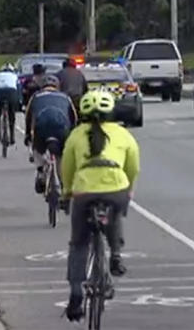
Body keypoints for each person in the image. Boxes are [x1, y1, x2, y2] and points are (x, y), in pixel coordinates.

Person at [60, 90, 140, 322]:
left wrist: (66, 193)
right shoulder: (123, 134)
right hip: (117, 187)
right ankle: (115, 254)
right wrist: (129, 187)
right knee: (114, 214)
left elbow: (67, 167)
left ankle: (76, 293)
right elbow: (133, 165)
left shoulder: (76, 135)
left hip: (84, 191)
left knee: (78, 243)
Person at [24, 75, 77, 193]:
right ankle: (62, 177)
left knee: (38, 149)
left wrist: (28, 135)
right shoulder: (65, 97)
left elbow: (28, 116)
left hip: (41, 128)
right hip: (61, 129)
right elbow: (74, 117)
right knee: (62, 154)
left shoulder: (35, 96)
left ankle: (41, 170)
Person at [0, 62, 20, 144]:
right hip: (12, 94)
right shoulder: (15, 76)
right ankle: (12, 136)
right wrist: (19, 100)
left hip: (0, 94)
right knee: (12, 115)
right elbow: (19, 89)